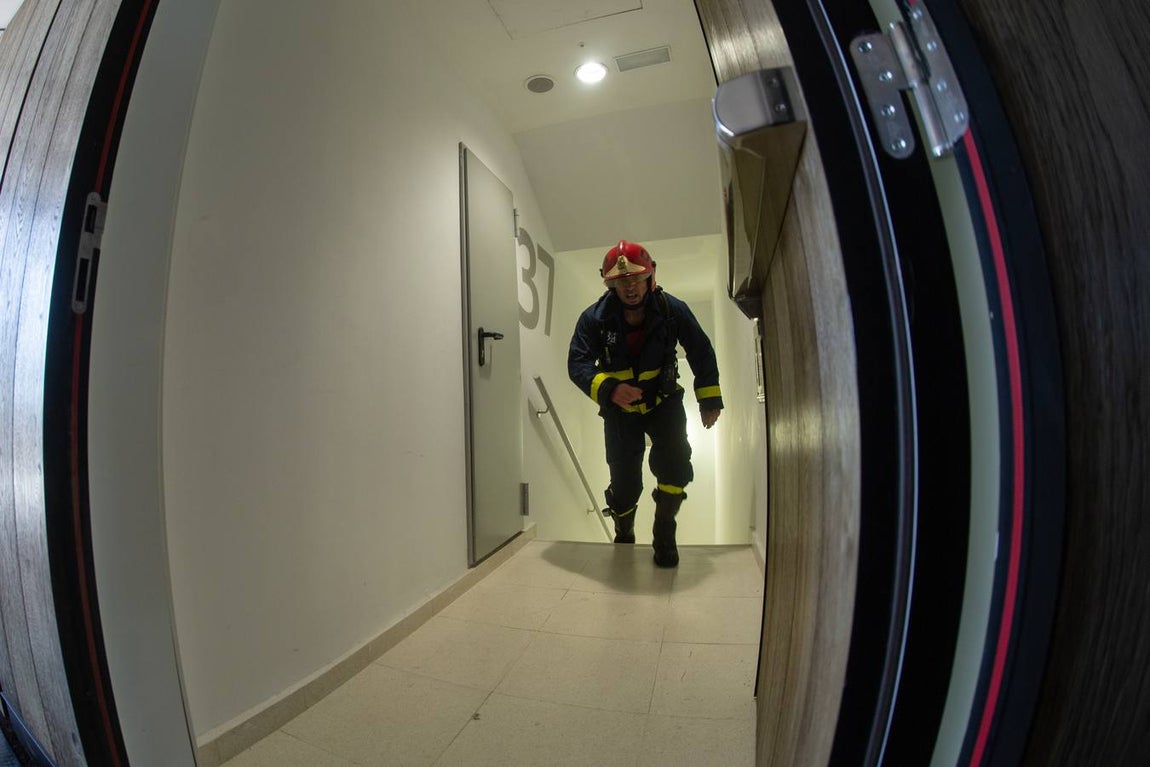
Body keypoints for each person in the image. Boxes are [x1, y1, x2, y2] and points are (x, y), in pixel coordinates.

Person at [568, 240, 722, 568]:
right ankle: (624, 529)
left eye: (637, 279)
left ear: (651, 276)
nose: (630, 288)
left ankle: (664, 529)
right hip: (620, 413)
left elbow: (701, 350)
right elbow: (577, 363)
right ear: (610, 285)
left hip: (664, 404)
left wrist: (709, 399)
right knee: (625, 486)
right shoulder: (593, 319)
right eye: (622, 282)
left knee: (676, 465)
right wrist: (609, 389)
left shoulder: (672, 310)